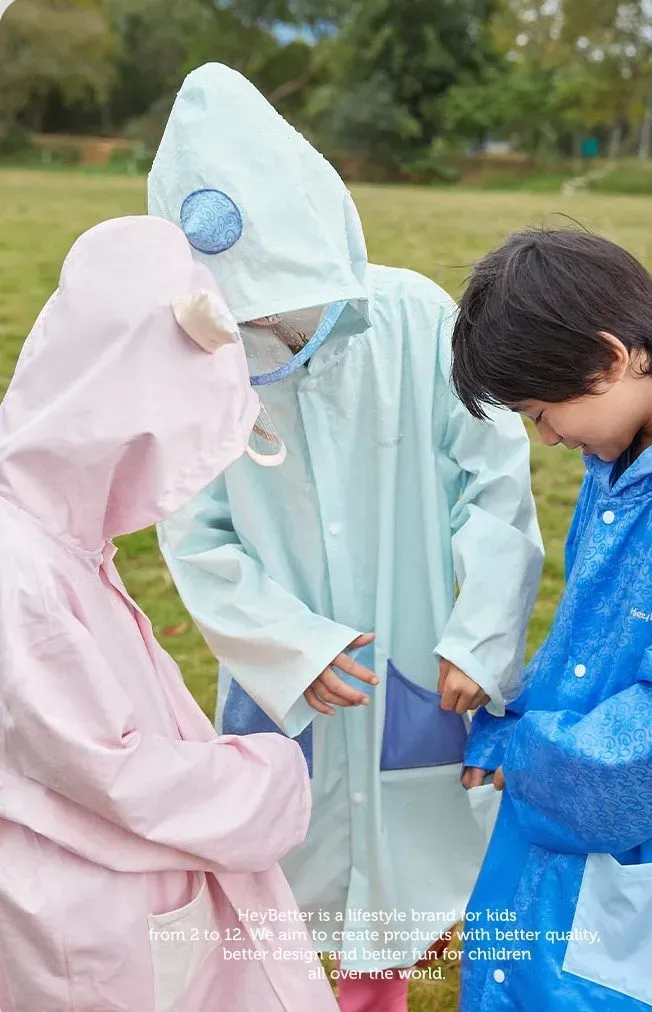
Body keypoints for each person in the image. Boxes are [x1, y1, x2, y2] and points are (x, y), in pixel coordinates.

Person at [149, 63, 544, 1012]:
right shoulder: (199, 365)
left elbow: (494, 482)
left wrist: (480, 637)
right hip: (287, 684)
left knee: (396, 899)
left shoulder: (418, 323)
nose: (268, 327)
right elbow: (193, 530)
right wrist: (288, 647)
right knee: (272, 890)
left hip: (417, 661)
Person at [0, 215, 339, 1012]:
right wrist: (266, 779)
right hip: (96, 921)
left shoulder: (63, 542)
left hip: (119, 895)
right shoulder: (23, 570)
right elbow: (103, 769)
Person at [452, 226, 652, 1012]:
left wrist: (534, 761)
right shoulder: (631, 436)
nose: (548, 436)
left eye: (543, 411)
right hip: (581, 789)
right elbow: (594, 635)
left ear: (612, 359)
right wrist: (520, 720)